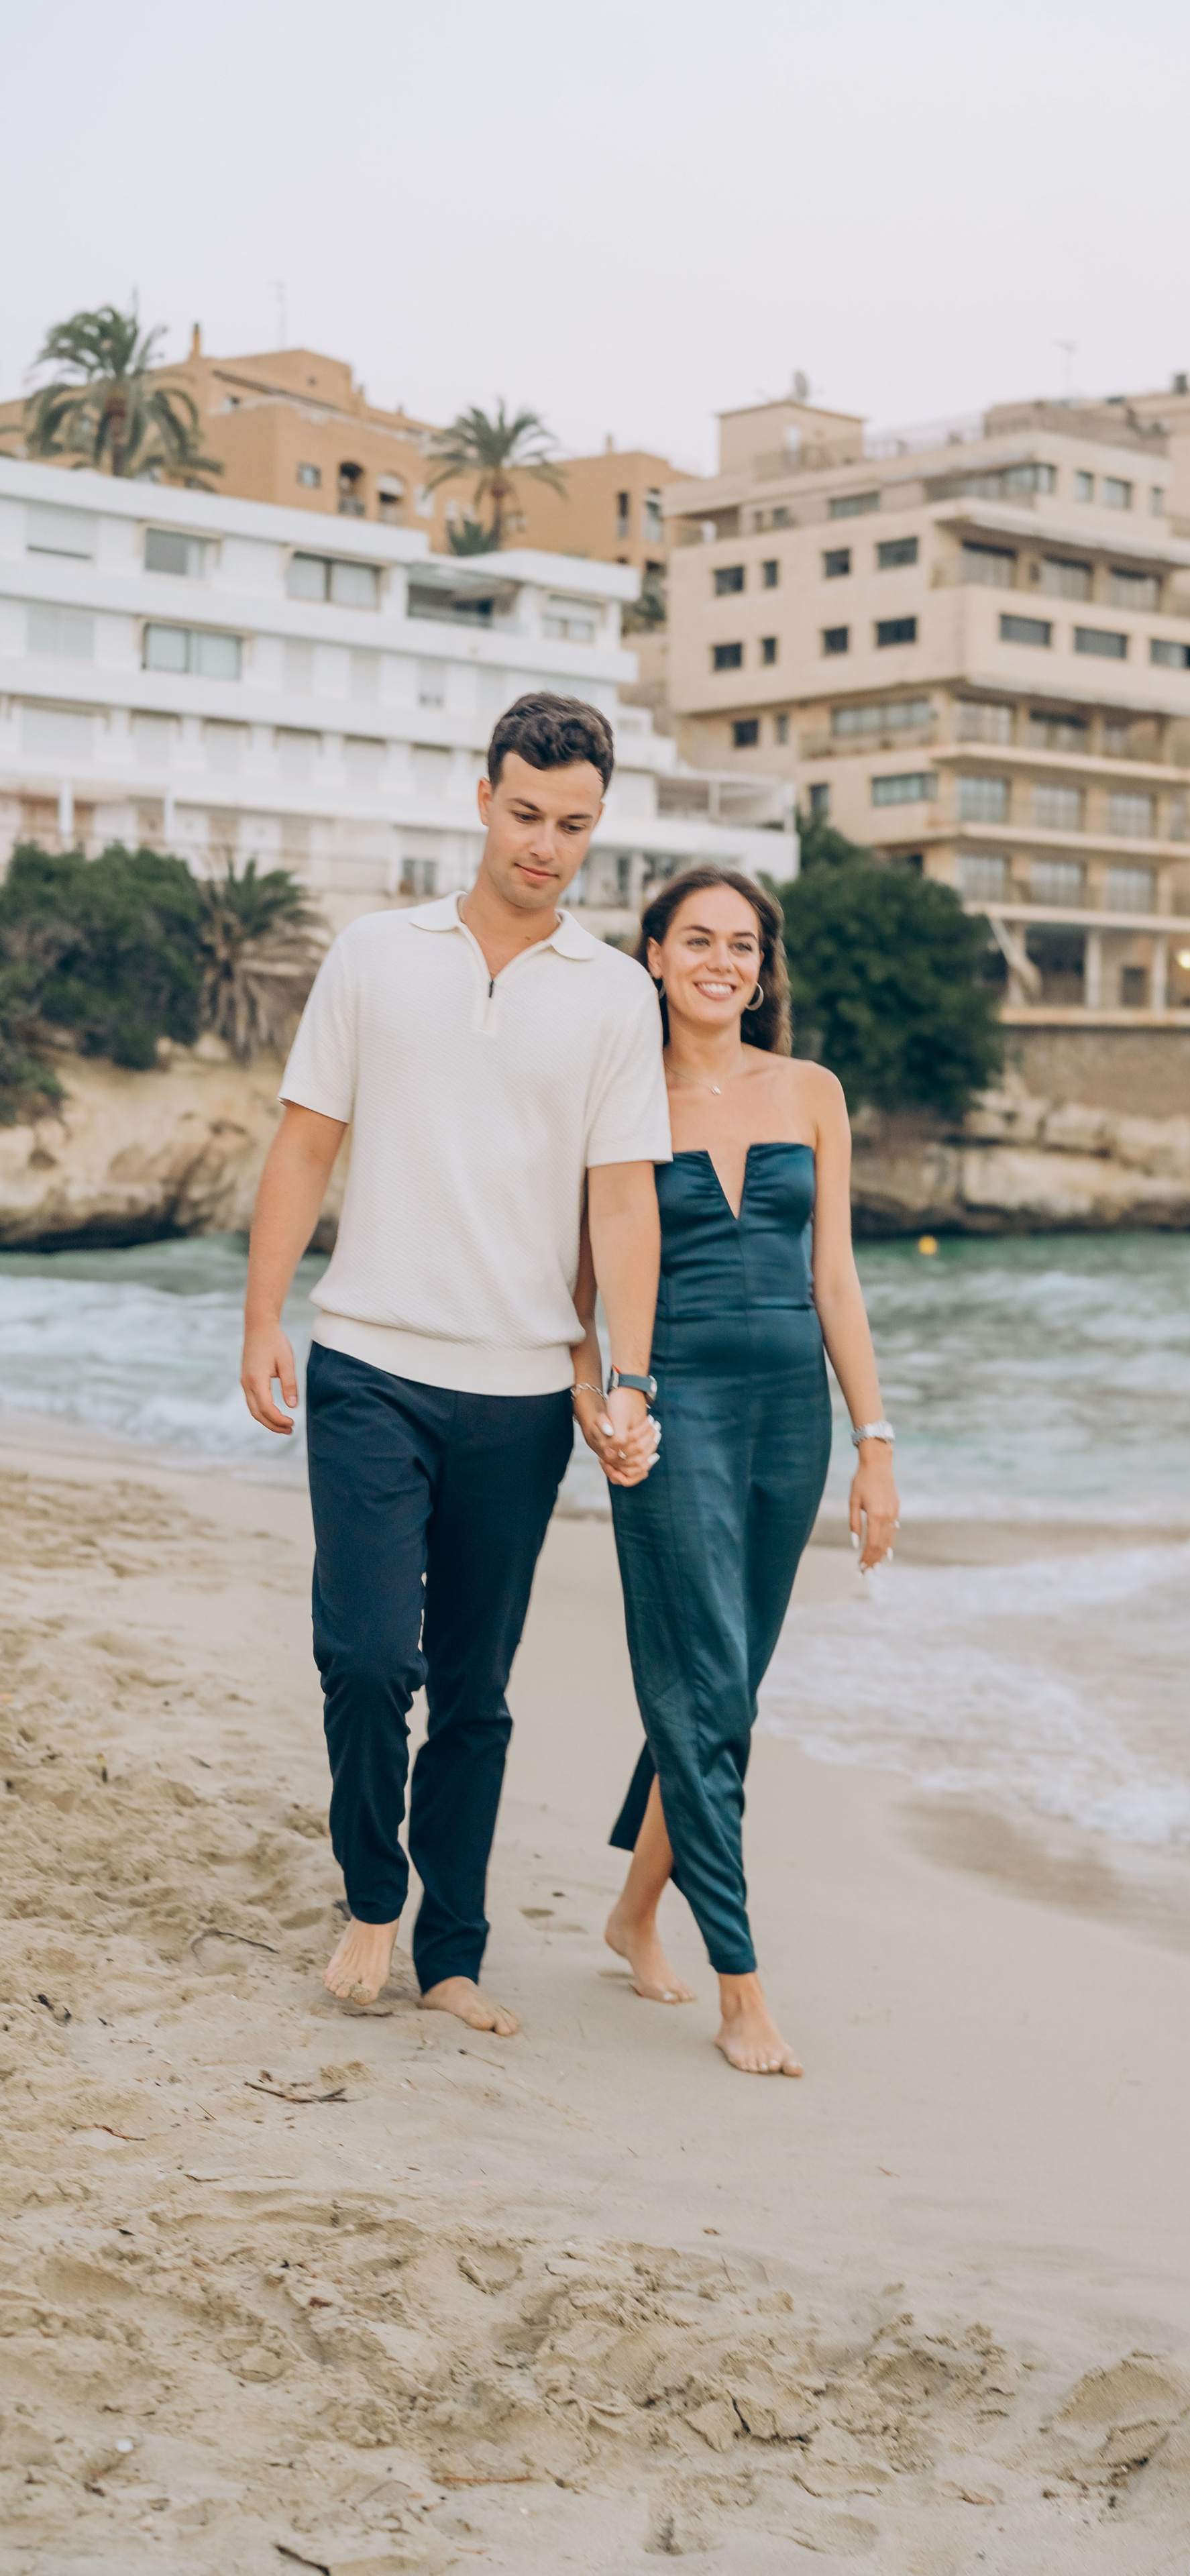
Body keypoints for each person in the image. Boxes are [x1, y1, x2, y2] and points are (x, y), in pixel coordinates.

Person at [239, 694, 669, 2037]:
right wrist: (263, 1319)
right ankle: (376, 1893)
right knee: (368, 1660)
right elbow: (306, 1143)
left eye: (573, 826)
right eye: (527, 812)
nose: (545, 844)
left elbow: (620, 1205)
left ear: (597, 829)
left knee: (474, 1690)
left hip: (526, 1392)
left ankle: (457, 1948)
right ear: (481, 795)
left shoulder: (614, 993)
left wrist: (624, 1376)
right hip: (368, 1359)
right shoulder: (376, 953)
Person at [578, 865, 900, 2078]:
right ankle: (743, 1987)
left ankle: (630, 1911)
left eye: (745, 945)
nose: (723, 961)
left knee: (723, 1692)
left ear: (764, 969)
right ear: (651, 955)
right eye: (698, 939)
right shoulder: (614, 1098)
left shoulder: (812, 1091)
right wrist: (600, 1397)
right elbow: (585, 1285)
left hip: (790, 1424)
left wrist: (875, 1445)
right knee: (706, 1685)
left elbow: (838, 1281)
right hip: (673, 1414)